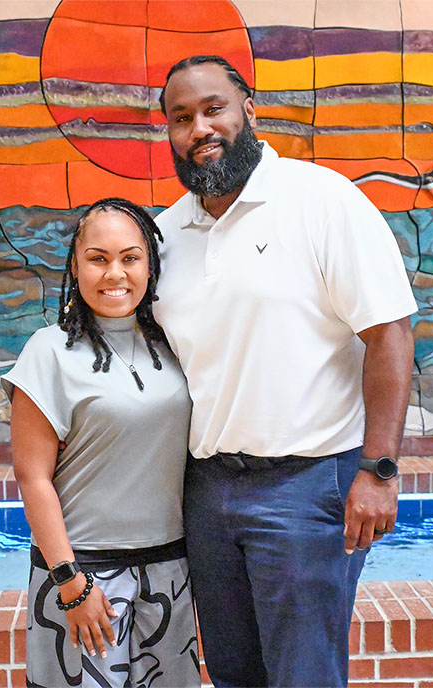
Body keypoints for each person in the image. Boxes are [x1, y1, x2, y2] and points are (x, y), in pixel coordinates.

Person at [153, 55, 418, 688]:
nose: (199, 129)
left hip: (307, 487)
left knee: (304, 675)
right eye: (180, 117)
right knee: (234, 672)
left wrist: (379, 469)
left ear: (249, 107)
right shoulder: (165, 234)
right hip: (208, 493)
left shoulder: (321, 200)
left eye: (213, 108)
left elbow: (390, 331)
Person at [1, 198, 200, 688]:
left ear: (150, 267)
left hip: (168, 569)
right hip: (83, 573)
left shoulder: (174, 345)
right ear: (76, 263)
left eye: (130, 258)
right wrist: (69, 582)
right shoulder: (48, 352)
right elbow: (33, 476)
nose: (115, 273)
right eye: (98, 258)